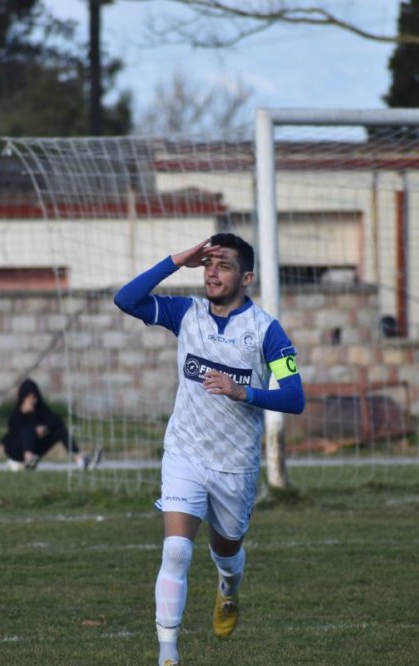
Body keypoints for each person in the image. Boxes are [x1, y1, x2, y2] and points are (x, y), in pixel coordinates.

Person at [114, 233, 305, 666]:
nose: (212, 273)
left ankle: (228, 587)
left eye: (223, 266)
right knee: (177, 550)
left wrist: (246, 394)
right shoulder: (187, 313)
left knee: (226, 551)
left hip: (235, 465)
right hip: (186, 452)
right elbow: (126, 299)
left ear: (247, 277)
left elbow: (295, 398)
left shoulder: (266, 331)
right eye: (208, 265)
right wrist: (177, 260)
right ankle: (168, 655)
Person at [2, 378, 100, 471]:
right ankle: (29, 460)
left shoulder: (39, 410)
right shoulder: (15, 414)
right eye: (30, 397)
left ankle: (81, 461)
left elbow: (56, 420)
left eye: (34, 397)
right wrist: (32, 427)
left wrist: (45, 428)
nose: (33, 401)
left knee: (60, 431)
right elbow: (16, 434)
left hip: (36, 447)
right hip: (17, 450)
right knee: (28, 430)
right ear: (23, 398)